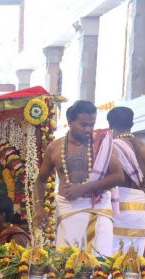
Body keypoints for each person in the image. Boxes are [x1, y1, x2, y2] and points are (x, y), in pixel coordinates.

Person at [36, 100, 124, 257]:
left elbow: (119, 176)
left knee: (100, 260)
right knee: (67, 261)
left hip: (98, 209)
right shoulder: (54, 148)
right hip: (68, 209)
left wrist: (84, 188)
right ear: (70, 122)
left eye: (92, 125)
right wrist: (39, 206)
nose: (88, 129)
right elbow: (40, 180)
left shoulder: (101, 144)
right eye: (83, 125)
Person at [108, 106, 145, 255]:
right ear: (132, 124)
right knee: (133, 261)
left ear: (110, 125)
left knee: (109, 261)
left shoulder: (111, 147)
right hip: (138, 213)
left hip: (114, 208)